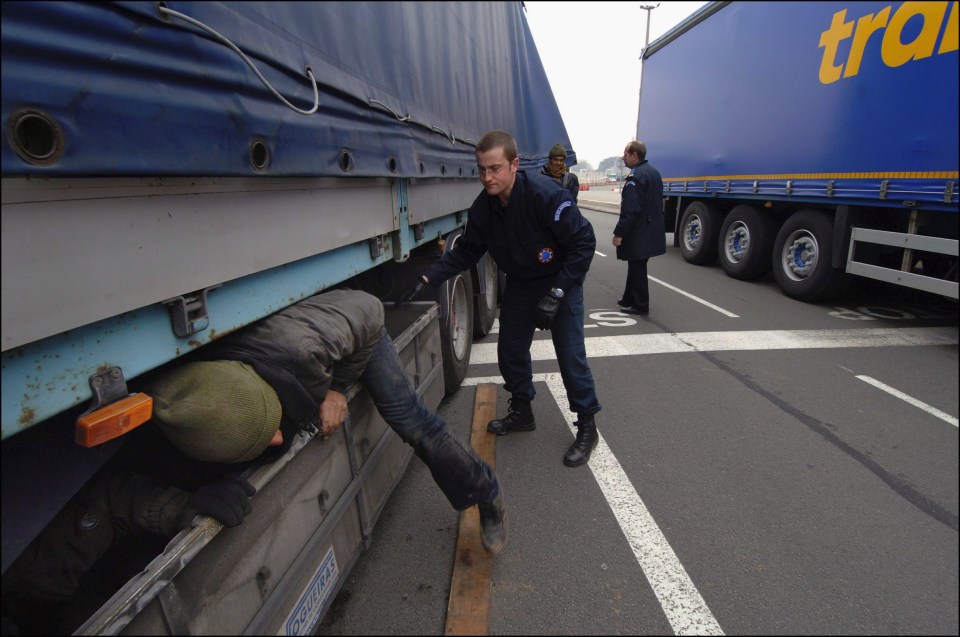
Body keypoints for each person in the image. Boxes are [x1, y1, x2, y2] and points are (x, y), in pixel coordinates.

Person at [1, 289, 506, 633]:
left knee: (411, 419)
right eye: (269, 439)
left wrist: (336, 387)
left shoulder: (308, 343)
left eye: (273, 430)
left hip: (351, 339)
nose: (282, 438)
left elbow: (369, 309)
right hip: (264, 374)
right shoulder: (198, 390)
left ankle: (484, 493)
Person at [400, 130, 601, 468]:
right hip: (522, 283)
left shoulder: (545, 196)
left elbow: (583, 244)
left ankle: (587, 425)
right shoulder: (484, 209)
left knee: (570, 356)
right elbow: (467, 251)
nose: (487, 177)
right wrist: (428, 276)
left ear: (514, 165)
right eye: (481, 170)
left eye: (494, 168)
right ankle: (522, 410)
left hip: (559, 279)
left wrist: (557, 293)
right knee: (509, 349)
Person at [613, 141, 666, 316]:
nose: (624, 158)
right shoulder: (653, 173)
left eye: (626, 155)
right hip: (651, 228)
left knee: (637, 267)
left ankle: (640, 304)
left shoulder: (636, 177)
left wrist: (619, 233)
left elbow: (631, 210)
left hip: (639, 231)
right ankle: (628, 298)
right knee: (635, 264)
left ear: (634, 155)